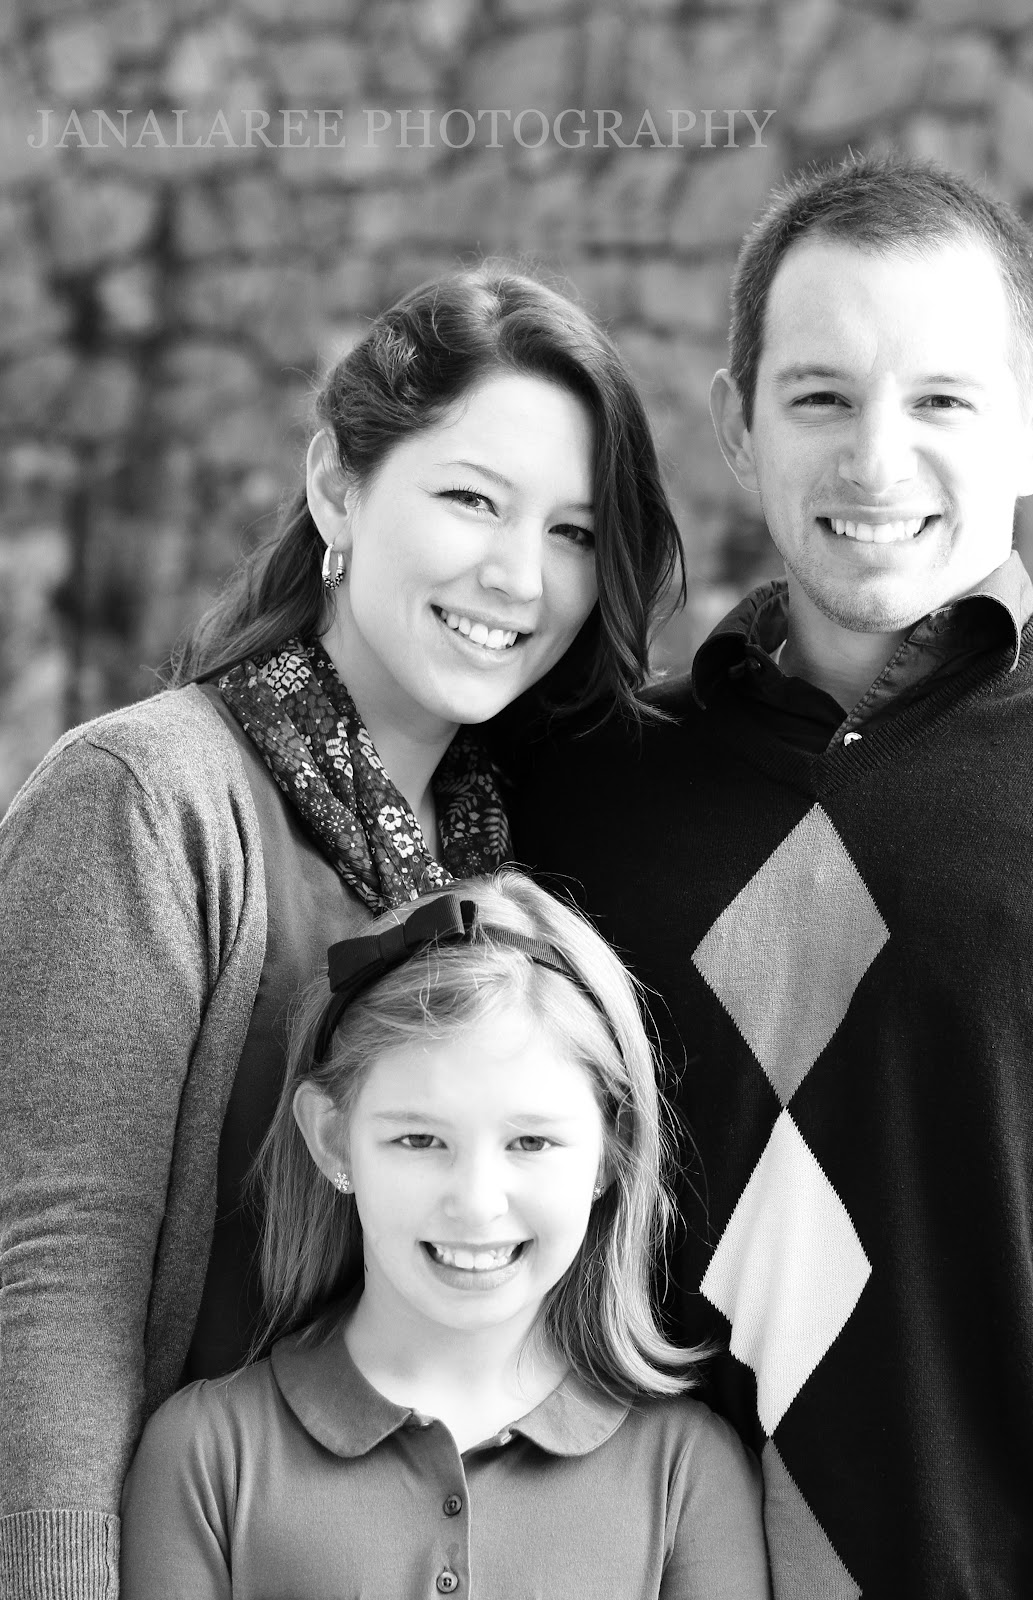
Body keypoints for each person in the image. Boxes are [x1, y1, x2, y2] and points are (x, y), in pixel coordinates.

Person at [510, 154, 1033, 1598]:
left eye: (940, 401)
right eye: (820, 397)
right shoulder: (585, 791)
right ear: (737, 425)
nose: (874, 460)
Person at [0, 263, 684, 1598]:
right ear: (336, 488)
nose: (517, 575)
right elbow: (52, 1277)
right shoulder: (149, 799)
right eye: (472, 499)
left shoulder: (508, 845)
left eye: (572, 531)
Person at [119, 872, 770, 1599]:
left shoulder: (687, 1474)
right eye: (420, 1140)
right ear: (332, 1140)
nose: (476, 1204)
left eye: (531, 1142)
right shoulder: (208, 1456)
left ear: (610, 1154)